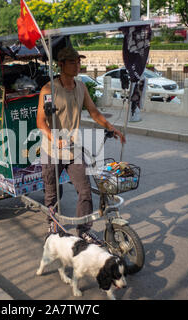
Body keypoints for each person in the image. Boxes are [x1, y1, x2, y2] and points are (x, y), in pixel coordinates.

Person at [36, 47, 125, 244]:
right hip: (51, 149)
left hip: (73, 149)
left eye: (78, 62)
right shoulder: (49, 89)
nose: (78, 66)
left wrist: (111, 127)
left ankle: (83, 230)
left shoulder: (81, 87)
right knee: (52, 191)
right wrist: (55, 139)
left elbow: (93, 111)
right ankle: (52, 222)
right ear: (61, 65)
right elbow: (41, 122)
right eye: (73, 62)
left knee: (84, 190)